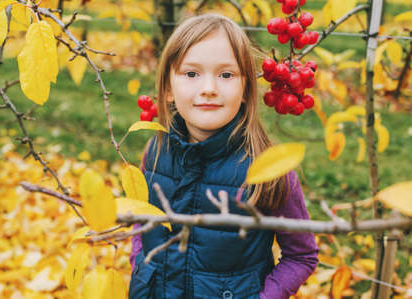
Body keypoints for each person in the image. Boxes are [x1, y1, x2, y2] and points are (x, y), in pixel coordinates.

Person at [129, 13, 318, 299]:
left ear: (245, 89)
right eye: (191, 74)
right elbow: (140, 223)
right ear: (168, 89)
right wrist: (139, 266)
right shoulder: (155, 154)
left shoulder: (268, 168)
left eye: (226, 75)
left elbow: (301, 255)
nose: (209, 88)